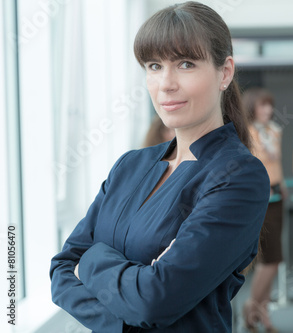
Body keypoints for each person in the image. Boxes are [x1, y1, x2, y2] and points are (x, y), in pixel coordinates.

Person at [49, 2, 270, 332]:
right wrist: (132, 305)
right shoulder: (130, 165)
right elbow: (62, 269)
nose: (166, 83)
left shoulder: (238, 177)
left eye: (185, 64)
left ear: (224, 72)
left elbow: (155, 299)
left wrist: (91, 259)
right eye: (154, 66)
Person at [242, 88, 286, 333]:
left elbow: (276, 162)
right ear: (252, 108)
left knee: (272, 259)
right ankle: (252, 306)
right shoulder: (247, 133)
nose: (268, 110)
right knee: (270, 260)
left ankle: (264, 313)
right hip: (261, 197)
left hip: (278, 195)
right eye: (262, 106)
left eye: (270, 105)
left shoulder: (273, 131)